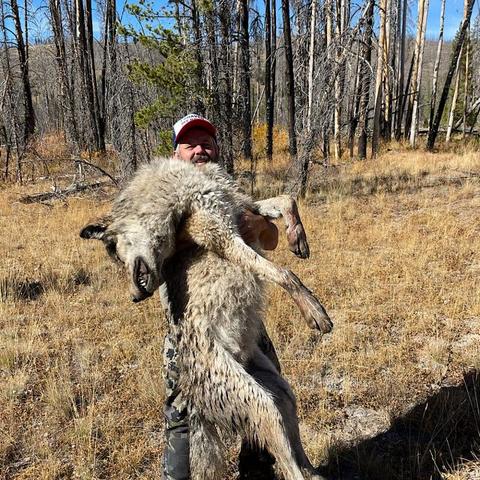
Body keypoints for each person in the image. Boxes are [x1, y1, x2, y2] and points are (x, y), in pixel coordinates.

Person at [162, 114, 282, 479]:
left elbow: (272, 241)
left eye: (207, 143)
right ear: (176, 154)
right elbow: (149, 248)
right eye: (190, 144)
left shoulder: (227, 189)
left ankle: (257, 471)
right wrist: (208, 231)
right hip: (193, 328)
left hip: (243, 319)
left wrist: (258, 224)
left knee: (269, 393)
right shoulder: (164, 193)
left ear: (216, 149)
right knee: (185, 415)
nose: (200, 149)